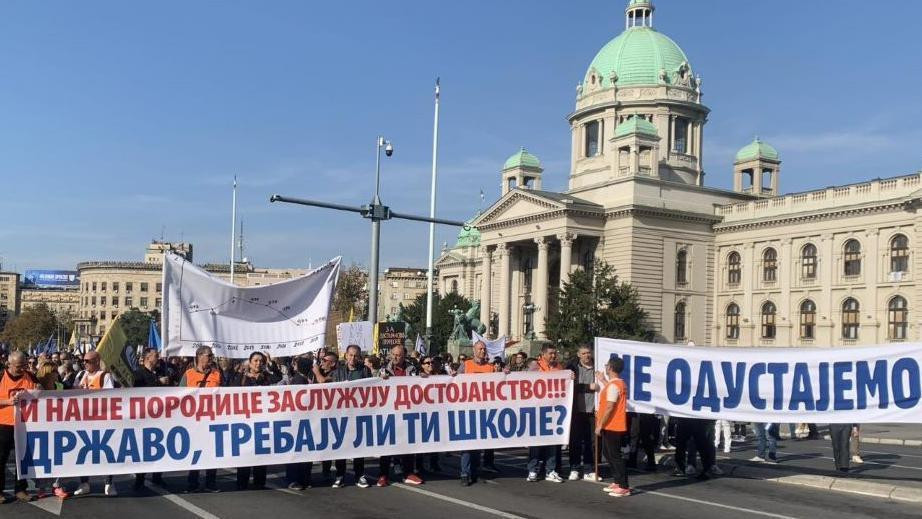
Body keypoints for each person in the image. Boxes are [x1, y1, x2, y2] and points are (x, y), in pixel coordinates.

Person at [231, 352, 280, 490]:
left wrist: (272, 364)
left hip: (262, 420)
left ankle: (259, 481)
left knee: (260, 451)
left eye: (261, 361)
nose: (258, 363)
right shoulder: (241, 378)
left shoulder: (267, 377)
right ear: (250, 362)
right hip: (245, 421)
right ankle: (242, 481)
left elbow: (280, 379)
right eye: (256, 360)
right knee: (245, 451)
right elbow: (231, 392)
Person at [73, 351, 117, 496]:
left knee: (106, 451)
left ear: (97, 361)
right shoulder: (80, 375)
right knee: (84, 452)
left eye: (88, 361)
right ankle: (84, 482)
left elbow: (110, 397)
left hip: (101, 420)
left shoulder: (105, 376)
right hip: (83, 420)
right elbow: (71, 394)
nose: (85, 363)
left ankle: (109, 483)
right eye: (83, 361)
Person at [378, 346, 424, 486]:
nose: (396, 357)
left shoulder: (412, 369)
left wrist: (424, 379)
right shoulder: (383, 370)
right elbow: (374, 387)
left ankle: (408, 473)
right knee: (387, 446)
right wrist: (380, 379)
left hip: (407, 412)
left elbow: (420, 384)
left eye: (399, 355)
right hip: (389, 413)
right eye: (394, 355)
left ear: (405, 356)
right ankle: (383, 475)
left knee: (408, 444)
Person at [180, 346, 222, 493]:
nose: (211, 358)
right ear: (199, 356)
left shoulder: (217, 374)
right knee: (195, 451)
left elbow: (226, 394)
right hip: (193, 419)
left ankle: (211, 483)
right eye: (208, 355)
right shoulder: (188, 374)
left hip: (212, 418)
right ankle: (193, 483)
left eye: (211, 356)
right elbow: (179, 396)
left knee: (212, 451)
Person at [331, 345, 374, 488]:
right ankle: (340, 475)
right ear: (345, 356)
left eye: (355, 355)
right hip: (342, 414)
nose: (352, 358)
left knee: (358, 445)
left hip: (358, 414)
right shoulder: (337, 373)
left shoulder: (365, 371)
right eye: (350, 355)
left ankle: (359, 475)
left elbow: (372, 389)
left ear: (359, 357)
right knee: (341, 446)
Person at [455, 340, 497, 486]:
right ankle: (464, 473)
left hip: (483, 411)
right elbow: (454, 382)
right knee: (467, 445)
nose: (483, 351)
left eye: (484, 349)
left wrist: (505, 375)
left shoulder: (490, 368)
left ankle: (474, 471)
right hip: (467, 410)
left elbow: (498, 386)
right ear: (474, 351)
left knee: (478, 445)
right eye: (480, 349)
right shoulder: (466, 365)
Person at [0, 351, 38, 503]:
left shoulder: (30, 376)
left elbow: (40, 392)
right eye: (18, 366)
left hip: (24, 424)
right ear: (8, 364)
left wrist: (39, 388)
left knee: (22, 458)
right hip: (4, 424)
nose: (22, 368)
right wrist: (7, 402)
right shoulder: (1, 376)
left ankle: (20, 489)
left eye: (24, 365)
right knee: (1, 459)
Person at [132, 348, 171, 490]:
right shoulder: (138, 374)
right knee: (144, 448)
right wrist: (158, 382)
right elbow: (140, 392)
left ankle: (157, 476)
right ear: (148, 357)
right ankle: (140, 479)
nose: (158, 358)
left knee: (160, 447)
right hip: (144, 418)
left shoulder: (161, 371)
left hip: (160, 416)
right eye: (156, 356)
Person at [527, 344, 564, 483]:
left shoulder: (559, 368)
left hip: (554, 410)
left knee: (552, 442)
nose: (553, 356)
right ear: (543, 354)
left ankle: (551, 470)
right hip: (537, 410)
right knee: (536, 442)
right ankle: (533, 470)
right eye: (550, 353)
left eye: (555, 353)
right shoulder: (535, 368)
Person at [596, 356, 631, 497]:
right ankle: (617, 481)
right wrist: (603, 380)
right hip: (612, 424)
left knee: (614, 455)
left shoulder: (614, 385)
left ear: (610, 368)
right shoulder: (616, 384)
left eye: (606, 365)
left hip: (612, 425)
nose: (605, 367)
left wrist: (600, 425)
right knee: (608, 453)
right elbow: (611, 394)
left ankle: (623, 485)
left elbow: (610, 407)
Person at [34, 363, 69, 499]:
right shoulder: (37, 389)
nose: (57, 373)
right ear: (47, 373)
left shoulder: (60, 386)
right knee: (42, 457)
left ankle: (57, 485)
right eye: (54, 371)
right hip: (41, 427)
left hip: (58, 426)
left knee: (59, 457)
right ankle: (41, 487)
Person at [566, 345, 598, 480]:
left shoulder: (597, 368)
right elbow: (568, 385)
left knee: (592, 441)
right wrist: (587, 387)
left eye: (588, 353)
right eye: (584, 353)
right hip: (576, 411)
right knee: (575, 441)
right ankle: (574, 467)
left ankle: (589, 468)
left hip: (593, 411)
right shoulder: (572, 368)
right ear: (579, 355)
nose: (587, 355)